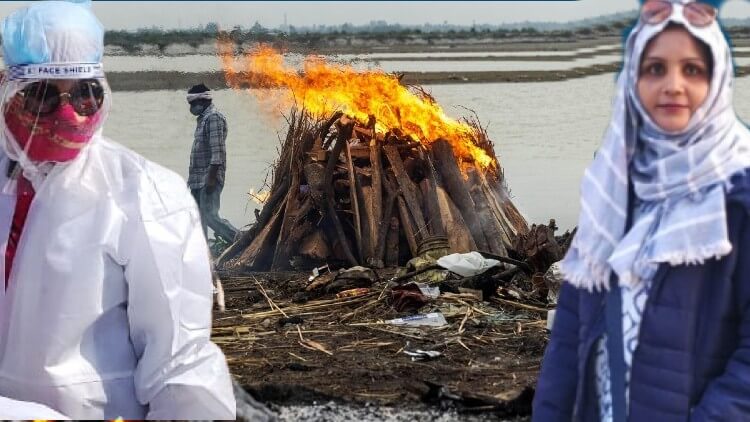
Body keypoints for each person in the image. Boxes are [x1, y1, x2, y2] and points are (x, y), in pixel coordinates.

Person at [0, 1, 236, 419]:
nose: (69, 114)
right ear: (9, 91)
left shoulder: (143, 194)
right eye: (42, 98)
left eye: (85, 95)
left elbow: (180, 367)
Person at [533, 1, 750, 420]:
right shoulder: (613, 190)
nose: (672, 85)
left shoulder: (739, 199)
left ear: (718, 82)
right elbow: (568, 338)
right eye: (655, 69)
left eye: (692, 69)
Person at [187, 83, 239, 245]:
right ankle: (202, 252)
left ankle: (239, 240)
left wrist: (211, 179)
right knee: (197, 217)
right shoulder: (203, 119)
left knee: (210, 216)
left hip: (208, 178)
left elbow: (218, 153)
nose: (191, 108)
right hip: (197, 179)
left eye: (192, 104)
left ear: (202, 101)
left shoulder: (214, 118)